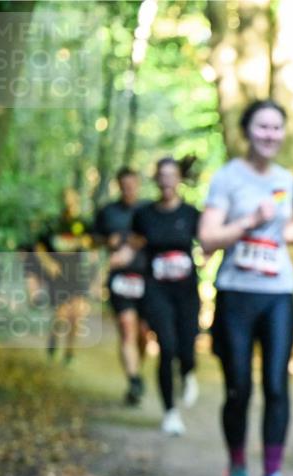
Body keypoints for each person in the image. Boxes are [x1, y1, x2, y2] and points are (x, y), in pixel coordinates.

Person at [199, 100, 293, 476]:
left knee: (275, 385)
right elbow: (208, 238)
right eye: (262, 127)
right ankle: (237, 467)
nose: (269, 135)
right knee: (238, 388)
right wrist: (248, 221)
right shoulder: (227, 178)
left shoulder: (286, 179)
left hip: (278, 295)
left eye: (276, 128)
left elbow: (283, 229)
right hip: (236, 293)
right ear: (248, 131)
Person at [118, 157, 202, 436]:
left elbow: (208, 242)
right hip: (156, 290)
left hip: (187, 291)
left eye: (171, 174)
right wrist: (110, 264)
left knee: (186, 349)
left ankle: (188, 372)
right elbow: (131, 247)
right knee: (166, 347)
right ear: (156, 179)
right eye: (162, 175)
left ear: (179, 179)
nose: (166, 180)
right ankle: (170, 412)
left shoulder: (191, 214)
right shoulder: (144, 215)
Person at [93, 167, 151, 406]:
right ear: (118, 185)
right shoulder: (107, 212)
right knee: (127, 328)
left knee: (144, 334)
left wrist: (129, 242)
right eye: (124, 185)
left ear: (137, 184)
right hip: (120, 279)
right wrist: (108, 241)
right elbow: (93, 237)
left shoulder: (148, 210)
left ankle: (136, 370)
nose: (128, 189)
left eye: (132, 184)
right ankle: (134, 379)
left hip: (146, 278)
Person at [25, 187, 94, 364]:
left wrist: (95, 273)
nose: (68, 202)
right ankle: (53, 339)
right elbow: (39, 247)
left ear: (77, 200)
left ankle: (69, 353)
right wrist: (48, 263)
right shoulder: (52, 224)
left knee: (77, 315)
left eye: (71, 198)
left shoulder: (83, 224)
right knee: (61, 314)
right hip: (58, 275)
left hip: (78, 274)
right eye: (65, 198)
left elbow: (93, 246)